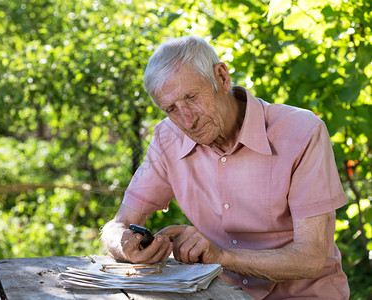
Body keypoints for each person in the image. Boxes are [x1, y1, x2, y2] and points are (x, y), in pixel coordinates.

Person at [100, 36, 349, 299]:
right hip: (220, 293)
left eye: (192, 97)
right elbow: (119, 225)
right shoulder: (168, 138)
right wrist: (123, 245)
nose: (187, 120)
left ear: (221, 77)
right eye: (172, 108)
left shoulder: (301, 132)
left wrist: (220, 257)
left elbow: (310, 257)